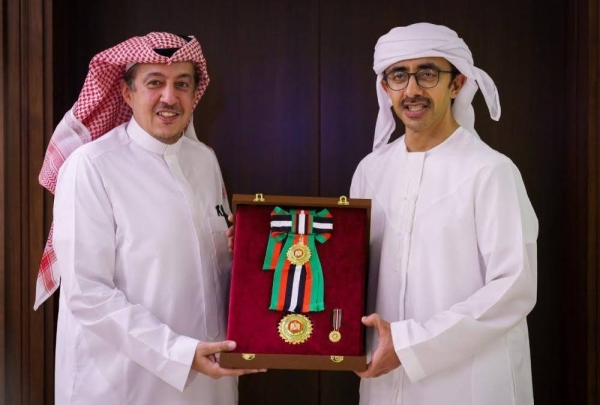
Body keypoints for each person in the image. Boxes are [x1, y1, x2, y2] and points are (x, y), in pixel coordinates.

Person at [34, 32, 263, 405]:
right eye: (154, 82)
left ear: (194, 94)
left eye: (182, 84)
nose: (169, 98)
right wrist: (181, 353)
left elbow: (212, 266)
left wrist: (244, 253)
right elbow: (87, 294)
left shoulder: (205, 159)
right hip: (123, 385)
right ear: (127, 93)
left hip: (210, 383)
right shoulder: (90, 166)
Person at [350, 23, 538, 404]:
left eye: (428, 73)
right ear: (385, 88)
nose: (413, 90)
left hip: (471, 383)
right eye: (399, 75)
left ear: (456, 84)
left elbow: (513, 289)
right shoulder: (370, 171)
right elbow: (348, 267)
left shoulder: (491, 171)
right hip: (384, 379)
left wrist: (411, 345)